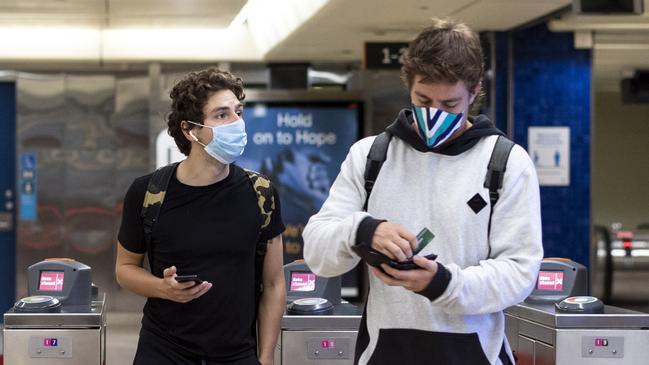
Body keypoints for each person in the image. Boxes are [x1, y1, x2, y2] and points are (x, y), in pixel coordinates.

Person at [303, 18, 543, 365]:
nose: (434, 114)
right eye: (423, 99)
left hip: (475, 354)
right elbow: (317, 253)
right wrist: (362, 230)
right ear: (409, 86)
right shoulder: (371, 155)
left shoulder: (506, 162)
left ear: (475, 92)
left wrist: (443, 284)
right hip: (384, 353)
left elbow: (519, 272)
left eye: (450, 104)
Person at [116, 68, 286, 365]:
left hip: (237, 354)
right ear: (190, 130)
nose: (236, 122)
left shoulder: (261, 193)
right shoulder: (148, 192)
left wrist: (267, 356)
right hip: (164, 351)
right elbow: (125, 268)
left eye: (238, 111)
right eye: (222, 115)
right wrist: (162, 289)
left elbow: (273, 284)